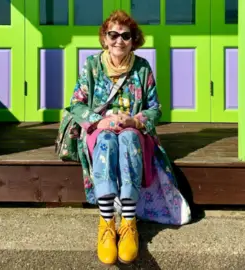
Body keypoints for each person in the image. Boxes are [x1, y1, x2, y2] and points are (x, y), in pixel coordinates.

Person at [65, 10, 191, 265]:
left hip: (133, 132)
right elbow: (75, 106)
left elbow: (155, 108)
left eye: (126, 36)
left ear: (134, 40)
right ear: (104, 38)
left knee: (128, 139)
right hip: (99, 131)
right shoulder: (91, 65)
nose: (119, 40)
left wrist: (134, 120)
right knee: (107, 141)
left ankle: (129, 223)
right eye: (113, 35)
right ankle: (107, 224)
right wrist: (101, 121)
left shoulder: (143, 68)